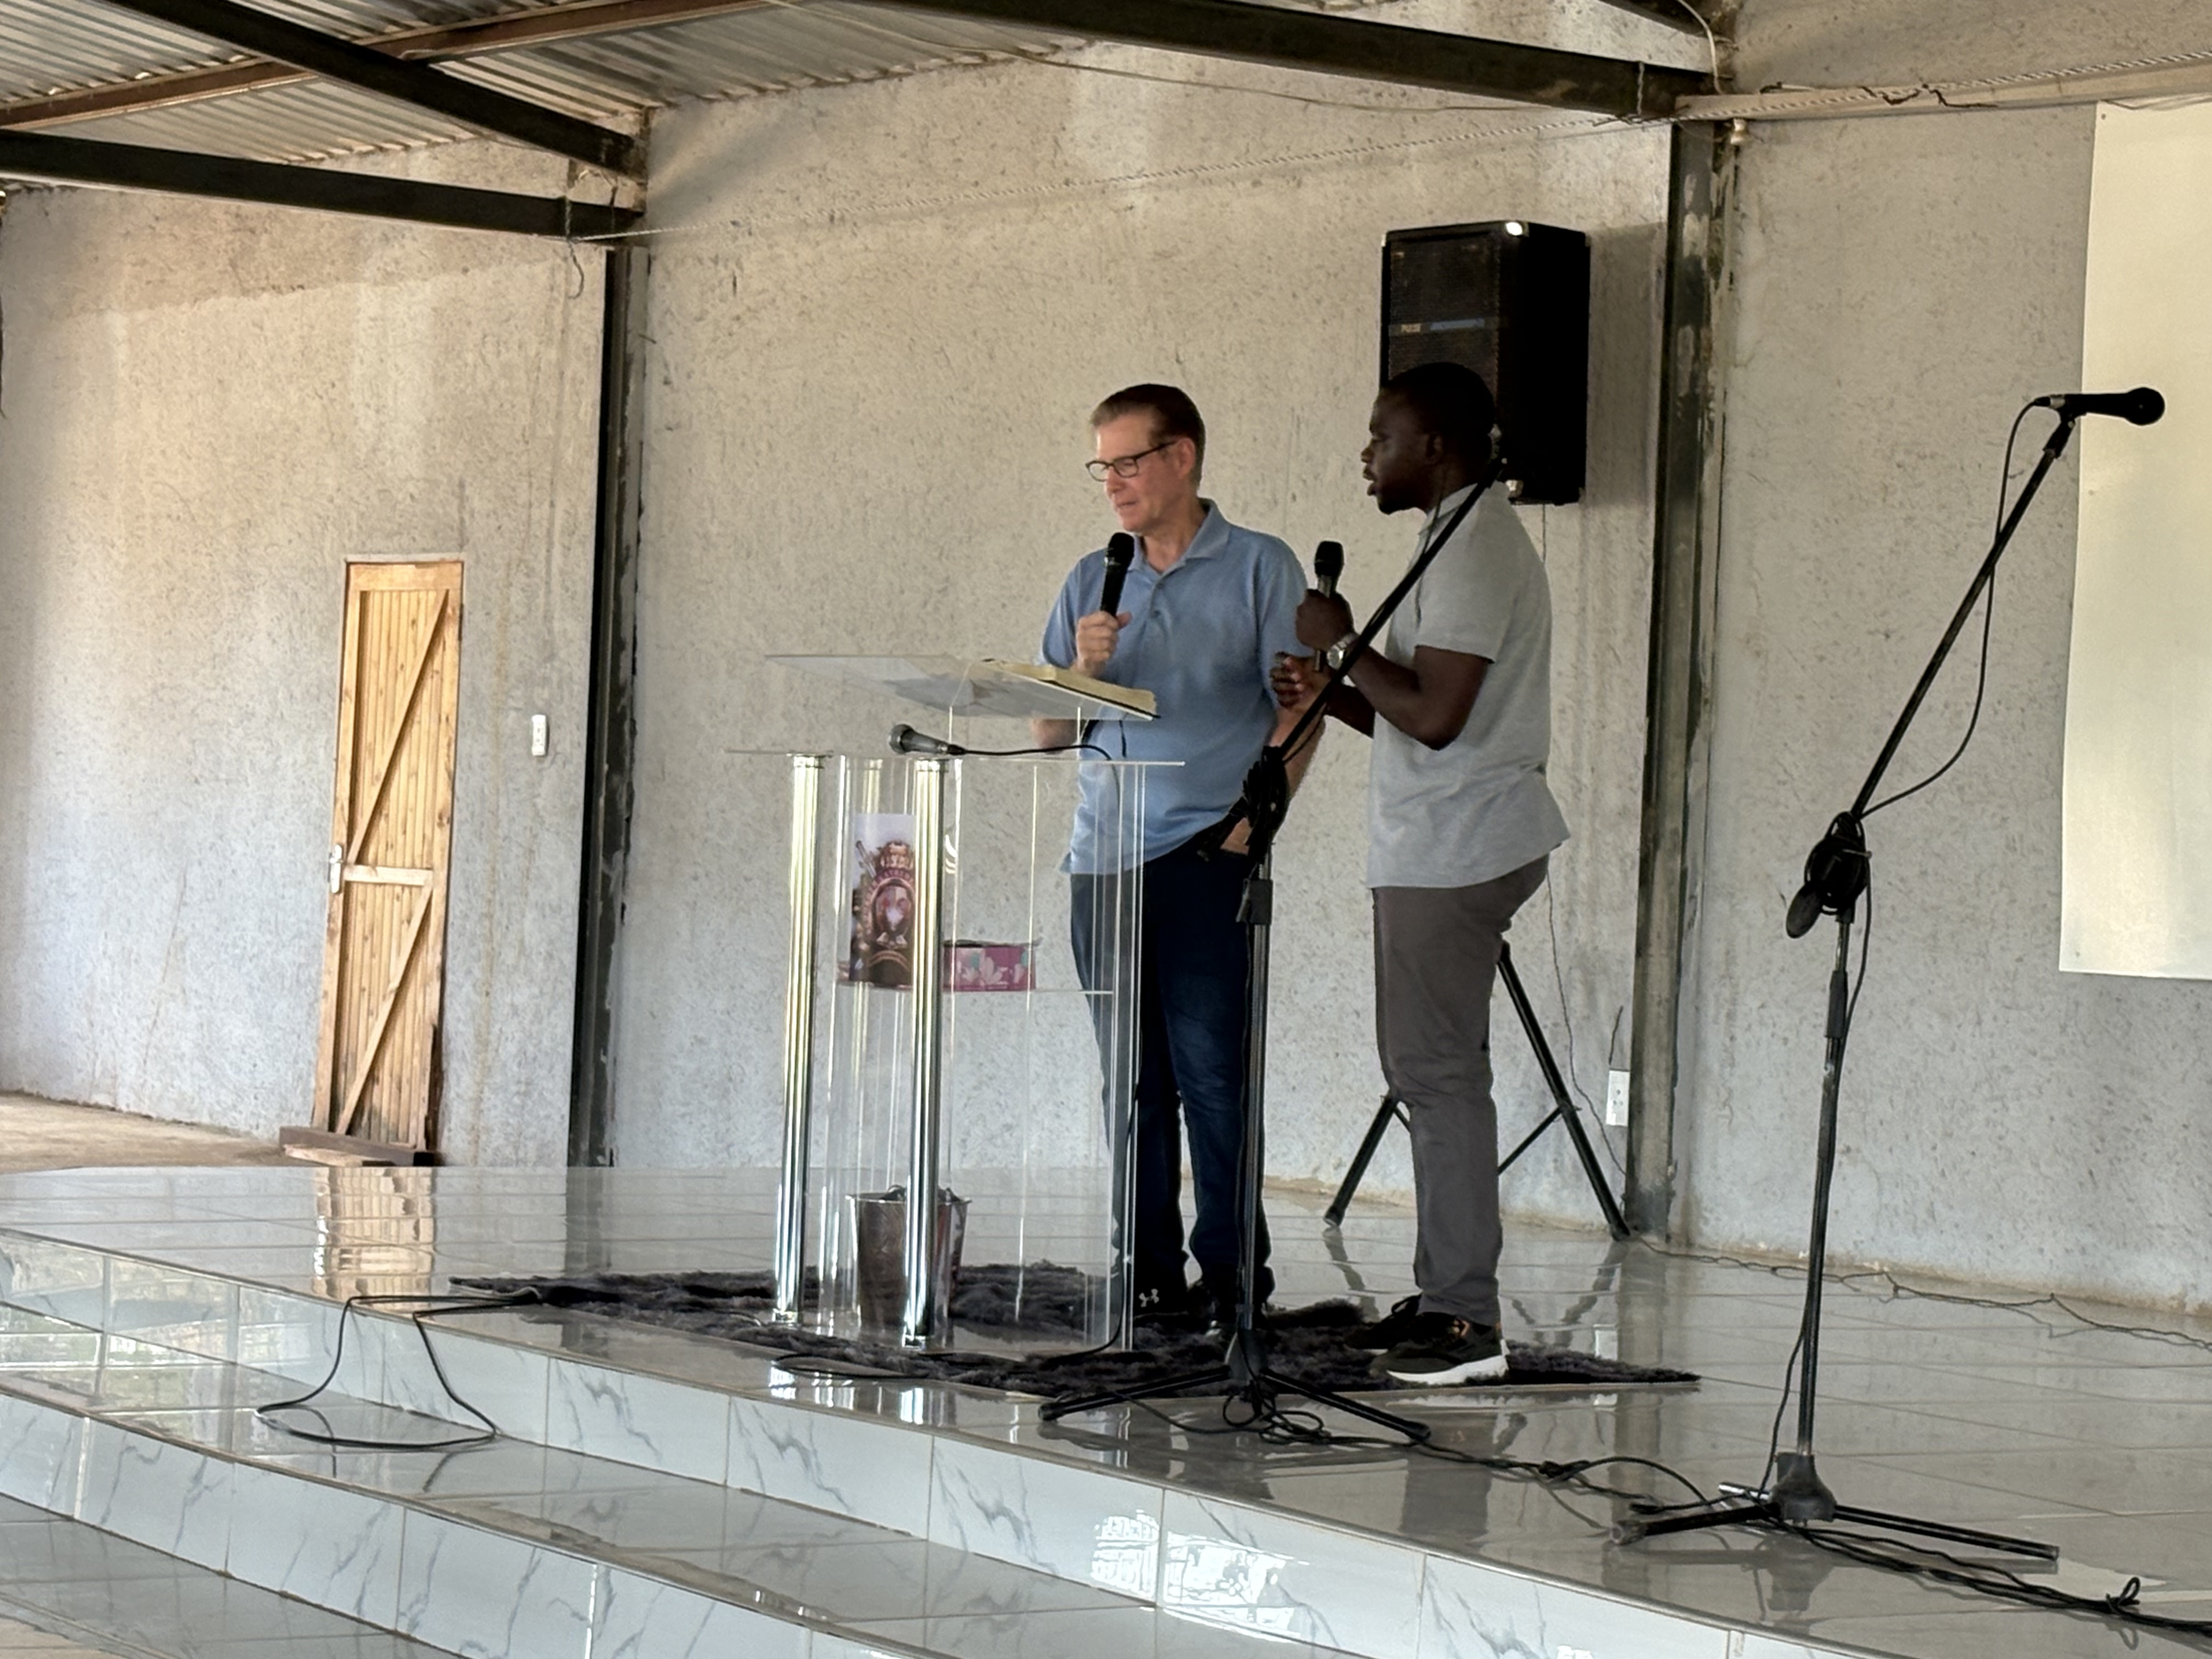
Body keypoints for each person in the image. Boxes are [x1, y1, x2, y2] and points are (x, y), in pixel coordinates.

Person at [1273, 361, 1569, 1384]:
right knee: (1429, 1074)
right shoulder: (1453, 535)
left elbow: (1438, 718)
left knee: (1436, 1078)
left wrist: (1344, 642)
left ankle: (1463, 1320)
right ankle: (1445, 1295)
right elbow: (1412, 713)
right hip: (1442, 839)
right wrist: (1331, 687)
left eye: (1381, 437)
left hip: (1456, 847)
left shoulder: (1476, 548)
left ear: (1434, 447)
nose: (1366, 455)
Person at [1040, 383, 1313, 1330]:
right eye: (1102, 466)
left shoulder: (1259, 566)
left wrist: (1250, 827)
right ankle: (1145, 1268)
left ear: (1182, 456)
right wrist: (1083, 670)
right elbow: (1046, 731)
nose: (1113, 482)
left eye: (1128, 461)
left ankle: (1233, 1276)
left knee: (1213, 1077)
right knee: (1132, 1078)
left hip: (1205, 854)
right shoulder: (1092, 578)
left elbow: (1302, 704)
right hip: (1102, 859)